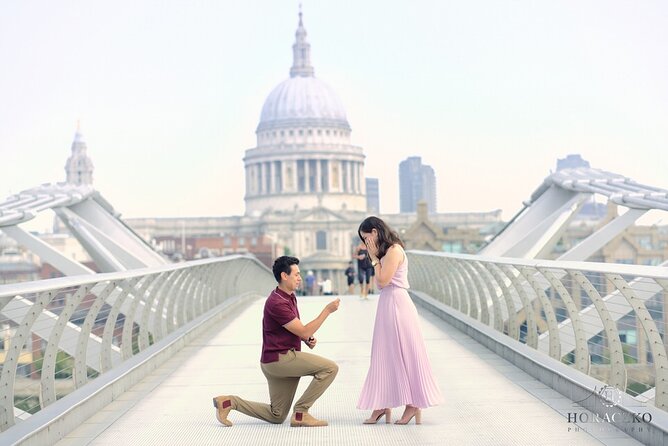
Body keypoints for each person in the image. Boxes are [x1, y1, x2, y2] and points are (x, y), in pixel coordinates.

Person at [213, 256, 341, 427]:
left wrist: (305, 338)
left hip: (272, 361)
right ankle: (301, 412)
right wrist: (327, 310)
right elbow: (304, 329)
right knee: (330, 368)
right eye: (296, 274)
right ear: (284, 276)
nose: (299, 278)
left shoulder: (287, 297)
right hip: (281, 359)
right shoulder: (277, 303)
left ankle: (229, 403)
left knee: (277, 415)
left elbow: (296, 329)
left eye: (299, 274)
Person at [356, 216, 442, 425]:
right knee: (384, 354)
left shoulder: (394, 251)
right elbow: (381, 284)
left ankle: (413, 403)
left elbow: (383, 281)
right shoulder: (386, 252)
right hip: (388, 304)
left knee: (405, 353)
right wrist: (376, 258)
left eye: (365, 238)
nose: (365, 243)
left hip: (397, 304)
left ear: (375, 232)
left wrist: (374, 259)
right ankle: (382, 402)